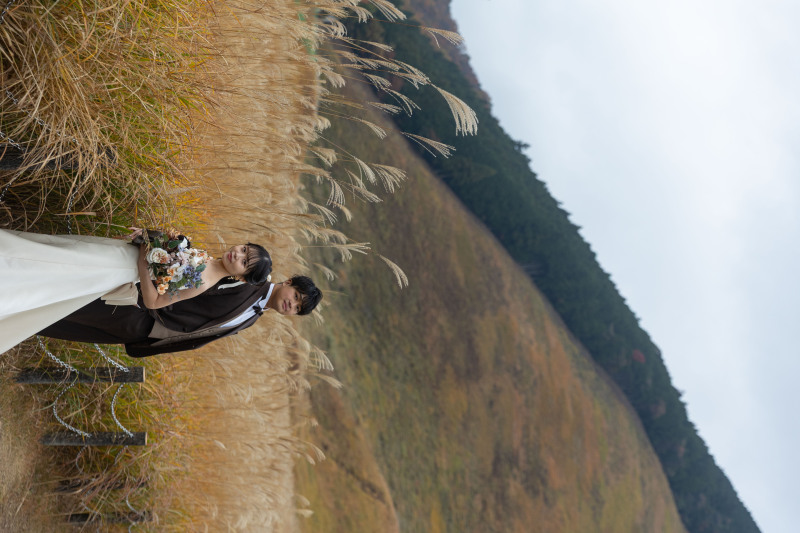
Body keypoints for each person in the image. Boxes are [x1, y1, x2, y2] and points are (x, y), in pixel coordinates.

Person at [0, 228, 322, 356]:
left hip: (140, 328)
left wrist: (148, 344)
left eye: (296, 308)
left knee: (60, 319)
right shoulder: (247, 283)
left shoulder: (252, 316)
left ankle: (15, 311)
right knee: (66, 299)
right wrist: (154, 249)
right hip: (136, 306)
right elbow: (191, 281)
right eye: (295, 297)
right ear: (289, 282)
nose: (291, 305)